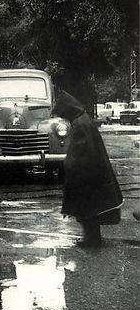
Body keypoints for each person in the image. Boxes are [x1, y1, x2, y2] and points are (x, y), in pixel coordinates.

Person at [52, 90, 123, 247]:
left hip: (87, 174)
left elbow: (79, 150)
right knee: (92, 209)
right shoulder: (83, 120)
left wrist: (68, 165)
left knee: (86, 208)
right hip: (93, 171)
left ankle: (91, 240)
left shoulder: (79, 124)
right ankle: (92, 238)